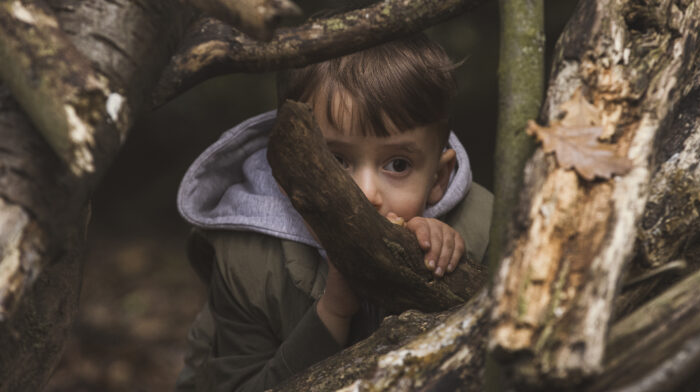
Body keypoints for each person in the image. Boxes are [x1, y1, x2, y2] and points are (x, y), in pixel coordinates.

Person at [175, 34, 493, 391]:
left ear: (437, 179)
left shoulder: (485, 228)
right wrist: (334, 311)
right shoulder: (249, 261)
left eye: (398, 164)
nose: (366, 194)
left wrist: (441, 269)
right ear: (288, 169)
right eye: (336, 160)